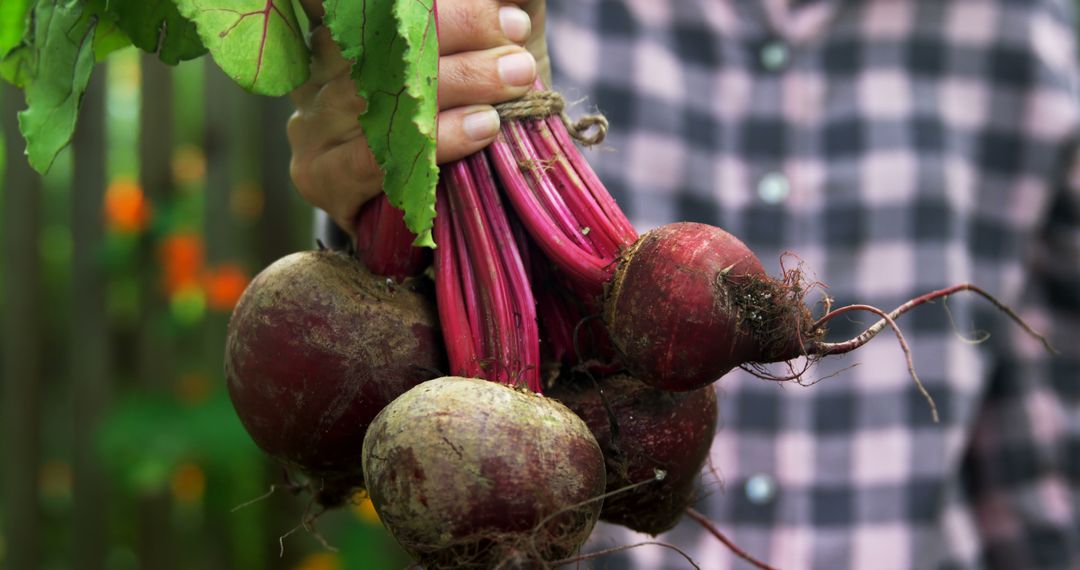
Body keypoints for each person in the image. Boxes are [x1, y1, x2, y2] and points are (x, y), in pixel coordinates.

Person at [287, 1, 1080, 568]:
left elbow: (1037, 466)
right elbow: (405, 339)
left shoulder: (1034, 49)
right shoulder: (513, 20)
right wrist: (377, 167)